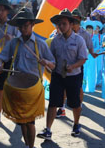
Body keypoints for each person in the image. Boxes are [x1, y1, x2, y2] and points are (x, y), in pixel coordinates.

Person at [0, 8, 55, 148]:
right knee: (21, 121)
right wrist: (0, 64)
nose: (23, 29)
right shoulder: (14, 43)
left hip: (33, 88)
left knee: (30, 122)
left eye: (26, 26)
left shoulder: (40, 44)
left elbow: (53, 64)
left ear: (32, 25)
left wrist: (46, 62)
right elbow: (2, 57)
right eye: (21, 26)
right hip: (17, 87)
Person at [37, 9, 87, 139]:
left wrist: (73, 66)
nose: (61, 26)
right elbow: (51, 57)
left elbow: (83, 58)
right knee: (53, 102)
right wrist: (48, 64)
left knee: (75, 103)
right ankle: (48, 130)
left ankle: (76, 124)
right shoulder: (55, 41)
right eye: (59, 24)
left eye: (64, 23)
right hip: (58, 75)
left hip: (74, 76)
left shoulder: (79, 40)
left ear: (71, 24)